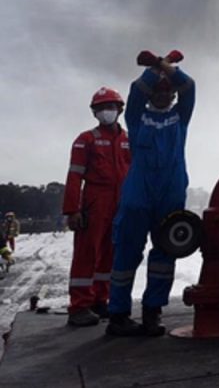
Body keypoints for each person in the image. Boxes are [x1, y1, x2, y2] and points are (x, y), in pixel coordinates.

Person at [107, 53, 195, 337]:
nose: (163, 94)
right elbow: (136, 90)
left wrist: (163, 66)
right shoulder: (136, 116)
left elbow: (189, 86)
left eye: (167, 90)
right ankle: (118, 315)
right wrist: (154, 69)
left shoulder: (180, 116)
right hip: (138, 191)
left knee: (164, 253)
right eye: (158, 90)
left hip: (170, 190)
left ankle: (152, 313)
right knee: (126, 251)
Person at [64, 87, 132, 327]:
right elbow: (74, 177)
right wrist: (72, 210)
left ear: (120, 110)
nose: (107, 112)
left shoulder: (128, 139)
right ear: (94, 113)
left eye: (111, 107)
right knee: (86, 254)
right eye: (101, 108)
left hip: (121, 203)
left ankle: (100, 300)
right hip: (94, 203)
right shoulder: (86, 140)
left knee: (110, 254)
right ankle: (79, 306)